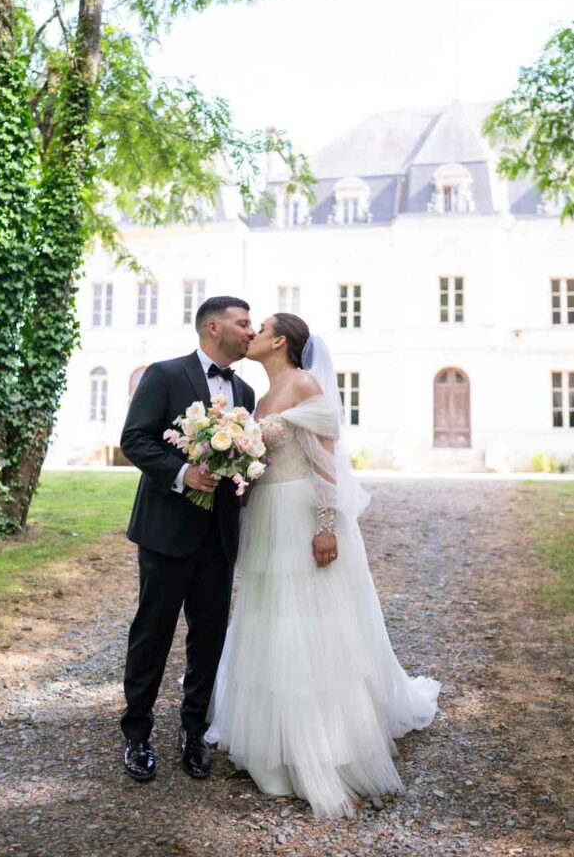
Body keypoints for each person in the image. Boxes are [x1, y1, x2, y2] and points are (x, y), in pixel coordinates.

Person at [207, 313, 440, 818]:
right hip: (267, 513)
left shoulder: (304, 384)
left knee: (308, 620)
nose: (252, 334)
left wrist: (326, 525)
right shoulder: (261, 396)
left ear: (280, 341)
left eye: (260, 328)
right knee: (269, 617)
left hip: (300, 514)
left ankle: (319, 747)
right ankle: (272, 742)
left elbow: (325, 463)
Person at [119, 296, 256, 782]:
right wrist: (182, 474)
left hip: (219, 536)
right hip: (166, 531)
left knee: (209, 636)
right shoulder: (164, 374)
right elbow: (135, 439)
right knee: (152, 632)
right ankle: (136, 733)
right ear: (214, 328)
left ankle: (194, 730)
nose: (251, 331)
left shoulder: (245, 391)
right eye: (244, 323)